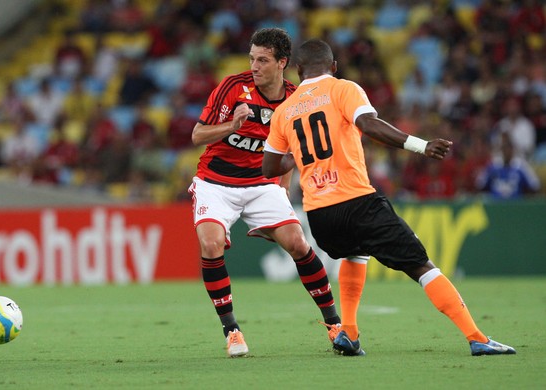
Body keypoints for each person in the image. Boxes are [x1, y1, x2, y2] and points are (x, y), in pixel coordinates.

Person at [262, 39, 516, 357]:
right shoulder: (342, 88)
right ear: (334, 67)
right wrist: (421, 146)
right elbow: (368, 124)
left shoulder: (284, 111)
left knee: (356, 253)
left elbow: (269, 165)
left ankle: (349, 334)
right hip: (355, 201)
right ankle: (477, 337)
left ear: (297, 70)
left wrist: (298, 155)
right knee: (422, 266)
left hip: (319, 215)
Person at [188, 28, 341, 358]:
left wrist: (283, 189)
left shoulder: (295, 98)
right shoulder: (233, 87)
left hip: (261, 185)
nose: (254, 66)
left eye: (262, 60)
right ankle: (232, 331)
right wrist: (231, 127)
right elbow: (198, 135)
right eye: (252, 58)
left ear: (282, 63)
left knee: (299, 244)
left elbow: (291, 150)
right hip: (216, 183)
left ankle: (335, 325)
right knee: (211, 243)